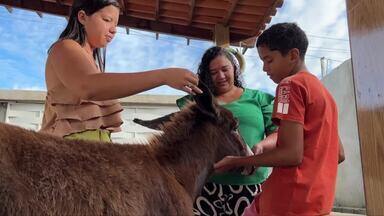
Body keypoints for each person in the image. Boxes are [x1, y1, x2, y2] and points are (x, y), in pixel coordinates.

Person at [214, 23, 346, 215]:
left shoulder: (288, 87)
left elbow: (291, 154)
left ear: (293, 55)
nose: (264, 68)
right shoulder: (326, 96)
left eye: (269, 60)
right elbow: (339, 154)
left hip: (287, 200)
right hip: (318, 202)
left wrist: (238, 161)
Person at [40, 0, 201, 142]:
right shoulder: (65, 47)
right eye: (107, 20)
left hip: (92, 159)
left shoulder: (95, 65)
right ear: (82, 17)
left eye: (116, 24)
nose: (114, 30)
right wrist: (164, 76)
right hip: (63, 158)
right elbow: (87, 86)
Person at [176, 46, 278, 216]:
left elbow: (277, 132)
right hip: (206, 186)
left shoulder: (258, 99)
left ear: (235, 69)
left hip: (250, 185)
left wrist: (261, 147)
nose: (221, 76)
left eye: (225, 69)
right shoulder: (198, 103)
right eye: (214, 72)